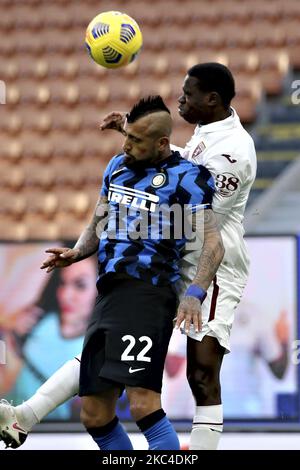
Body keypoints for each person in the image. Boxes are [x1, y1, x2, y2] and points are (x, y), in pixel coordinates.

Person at [1, 62, 256, 450]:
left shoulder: (233, 152)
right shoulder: (188, 140)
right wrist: (137, 138)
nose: (180, 100)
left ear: (212, 99)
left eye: (187, 95)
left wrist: (195, 291)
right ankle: (26, 416)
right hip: (145, 275)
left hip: (208, 267)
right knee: (99, 388)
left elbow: (198, 208)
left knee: (198, 375)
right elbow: (169, 165)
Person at [2, 258, 97, 423]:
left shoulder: (101, 350)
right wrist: (9, 334)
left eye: (80, 285)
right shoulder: (37, 319)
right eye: (62, 282)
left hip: (49, 436)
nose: (65, 295)